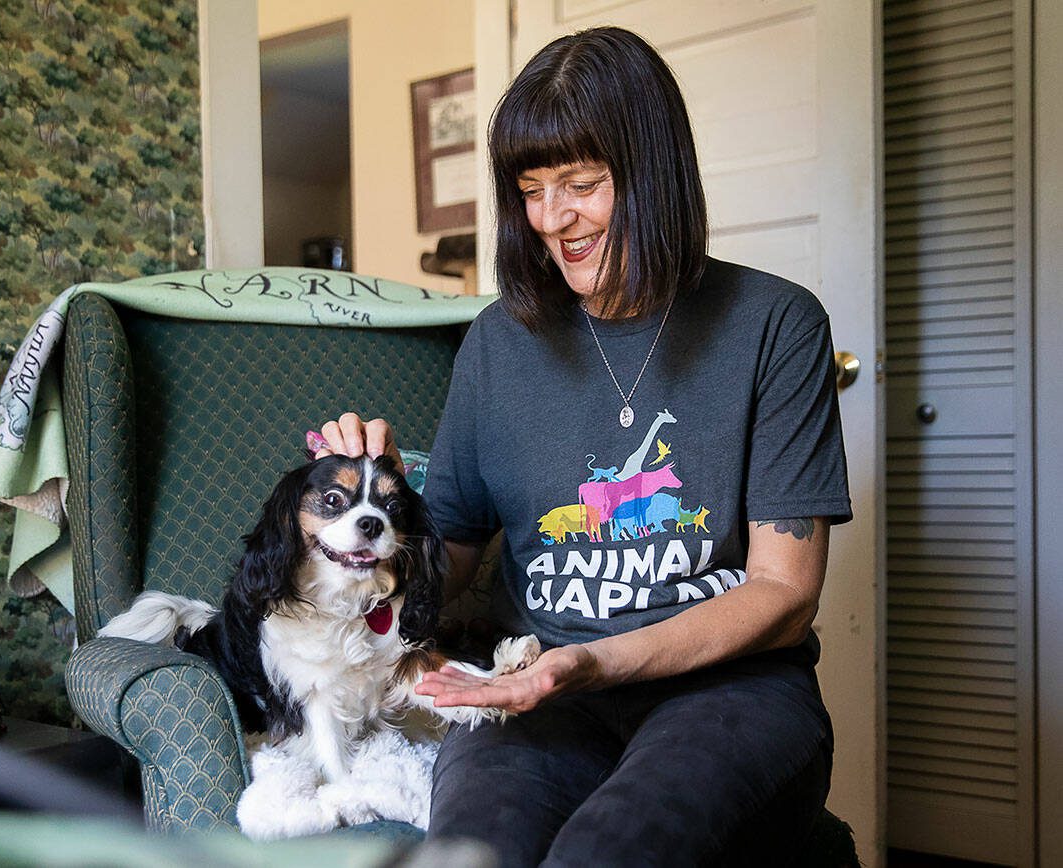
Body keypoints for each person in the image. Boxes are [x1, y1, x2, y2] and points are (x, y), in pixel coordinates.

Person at [316, 26, 851, 867]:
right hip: (535, 692)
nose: (552, 219)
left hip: (728, 696)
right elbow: (446, 554)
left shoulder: (775, 325)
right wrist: (366, 509)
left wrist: (590, 662)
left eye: (582, 184)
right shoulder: (498, 343)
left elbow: (785, 592)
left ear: (655, 175)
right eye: (531, 190)